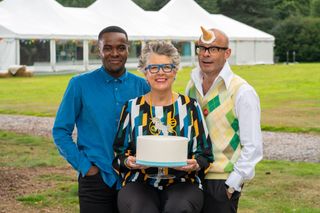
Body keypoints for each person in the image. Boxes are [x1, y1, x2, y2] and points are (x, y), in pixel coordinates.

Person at [52, 26, 150, 213]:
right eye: (108, 48)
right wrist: (85, 166)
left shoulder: (143, 86)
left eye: (121, 47)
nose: (115, 53)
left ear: (128, 49)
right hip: (95, 178)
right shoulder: (79, 84)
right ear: (99, 50)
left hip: (135, 181)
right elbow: (60, 131)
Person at [113, 41, 213, 213]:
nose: (160, 73)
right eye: (153, 68)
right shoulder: (131, 107)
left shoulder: (190, 107)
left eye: (167, 67)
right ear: (145, 72)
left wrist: (195, 164)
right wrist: (129, 162)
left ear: (175, 71)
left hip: (183, 183)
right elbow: (119, 154)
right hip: (139, 182)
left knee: (177, 209)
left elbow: (205, 154)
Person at [186, 27, 263, 213]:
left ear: (227, 53)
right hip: (192, 175)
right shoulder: (191, 86)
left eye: (213, 49)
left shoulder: (242, 91)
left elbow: (253, 146)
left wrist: (233, 184)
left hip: (222, 178)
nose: (205, 54)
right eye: (201, 48)